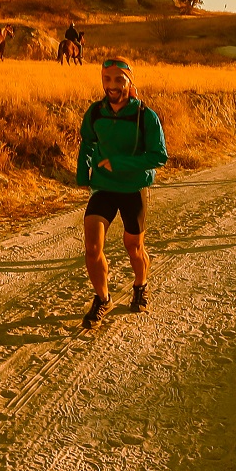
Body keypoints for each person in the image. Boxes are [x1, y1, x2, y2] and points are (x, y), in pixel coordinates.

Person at [76, 58, 169, 329]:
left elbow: (159, 157)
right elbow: (88, 143)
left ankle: (140, 286)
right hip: (104, 187)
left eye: (119, 80)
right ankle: (103, 298)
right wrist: (84, 174)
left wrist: (119, 163)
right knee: (92, 248)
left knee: (134, 248)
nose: (112, 85)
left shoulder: (145, 116)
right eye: (107, 79)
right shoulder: (95, 112)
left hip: (132, 188)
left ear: (130, 82)